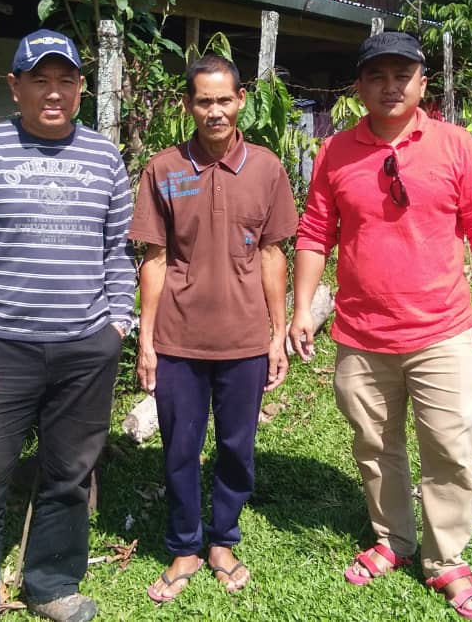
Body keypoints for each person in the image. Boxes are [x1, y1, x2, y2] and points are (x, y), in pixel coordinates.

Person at [288, 32, 472, 620]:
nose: (390, 86)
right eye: (377, 76)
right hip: (362, 335)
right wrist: (301, 308)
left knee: (450, 446)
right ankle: (393, 539)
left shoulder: (456, 145)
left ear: (422, 84)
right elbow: (315, 232)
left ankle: (447, 558)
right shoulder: (334, 152)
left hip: (441, 329)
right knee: (374, 443)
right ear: (359, 87)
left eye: (402, 75)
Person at [0, 28, 135, 622]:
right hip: (0, 349)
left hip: (85, 348)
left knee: (69, 475)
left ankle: (50, 584)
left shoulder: (104, 156)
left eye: (65, 80)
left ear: (81, 88)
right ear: (15, 86)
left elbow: (117, 250)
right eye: (40, 80)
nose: (54, 92)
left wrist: (117, 325)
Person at [127, 54, 298, 603]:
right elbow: (154, 259)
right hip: (178, 339)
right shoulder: (164, 169)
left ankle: (223, 539)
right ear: (188, 105)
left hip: (244, 340)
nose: (216, 111)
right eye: (204, 101)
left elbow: (272, 254)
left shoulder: (267, 169)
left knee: (236, 447)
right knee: (180, 447)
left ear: (242, 100)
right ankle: (184, 546)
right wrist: (146, 342)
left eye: (225, 99)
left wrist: (276, 334)